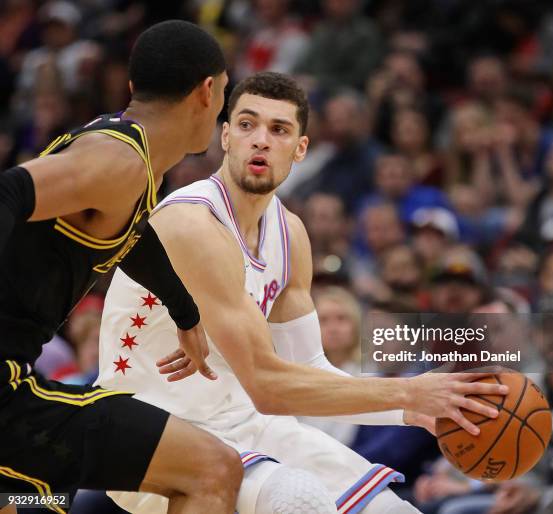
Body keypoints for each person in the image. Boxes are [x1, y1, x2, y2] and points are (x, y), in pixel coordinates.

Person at [95, 72, 509, 514]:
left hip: (246, 424)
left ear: (301, 148)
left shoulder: (290, 233)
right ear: (226, 136)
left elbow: (308, 368)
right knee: (298, 499)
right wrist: (408, 394)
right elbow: (268, 384)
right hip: (152, 428)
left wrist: (413, 413)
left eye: (279, 130)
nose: (261, 140)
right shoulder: (193, 223)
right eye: (248, 124)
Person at [0, 20, 243, 514]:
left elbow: (131, 235)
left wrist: (184, 312)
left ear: (133, 88)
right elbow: (7, 192)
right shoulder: (118, 160)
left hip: (16, 388)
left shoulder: (126, 162)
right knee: (213, 470)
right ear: (209, 91)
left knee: (36, 502)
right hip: (6, 392)